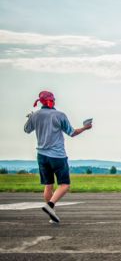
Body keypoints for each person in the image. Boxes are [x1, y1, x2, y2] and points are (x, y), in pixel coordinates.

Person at [24, 91, 92, 223]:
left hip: (41, 155)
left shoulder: (35, 115)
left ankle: (52, 216)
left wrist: (30, 117)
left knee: (48, 185)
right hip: (57, 156)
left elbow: (27, 130)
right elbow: (72, 132)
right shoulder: (59, 115)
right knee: (65, 184)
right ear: (51, 101)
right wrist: (85, 127)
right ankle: (50, 206)